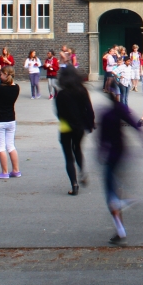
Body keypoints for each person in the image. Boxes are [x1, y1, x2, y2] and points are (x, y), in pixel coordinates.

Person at [98, 90, 143, 245]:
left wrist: (100, 154)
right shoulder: (120, 110)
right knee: (116, 191)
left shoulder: (105, 114)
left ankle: (125, 206)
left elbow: (101, 140)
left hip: (110, 157)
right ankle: (120, 231)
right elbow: (139, 129)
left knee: (111, 196)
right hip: (123, 154)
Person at [55, 66, 95, 195]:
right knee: (77, 148)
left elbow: (59, 113)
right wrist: (90, 124)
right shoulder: (82, 90)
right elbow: (89, 108)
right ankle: (82, 171)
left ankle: (74, 184)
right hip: (80, 126)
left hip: (66, 126)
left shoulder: (61, 93)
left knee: (68, 156)